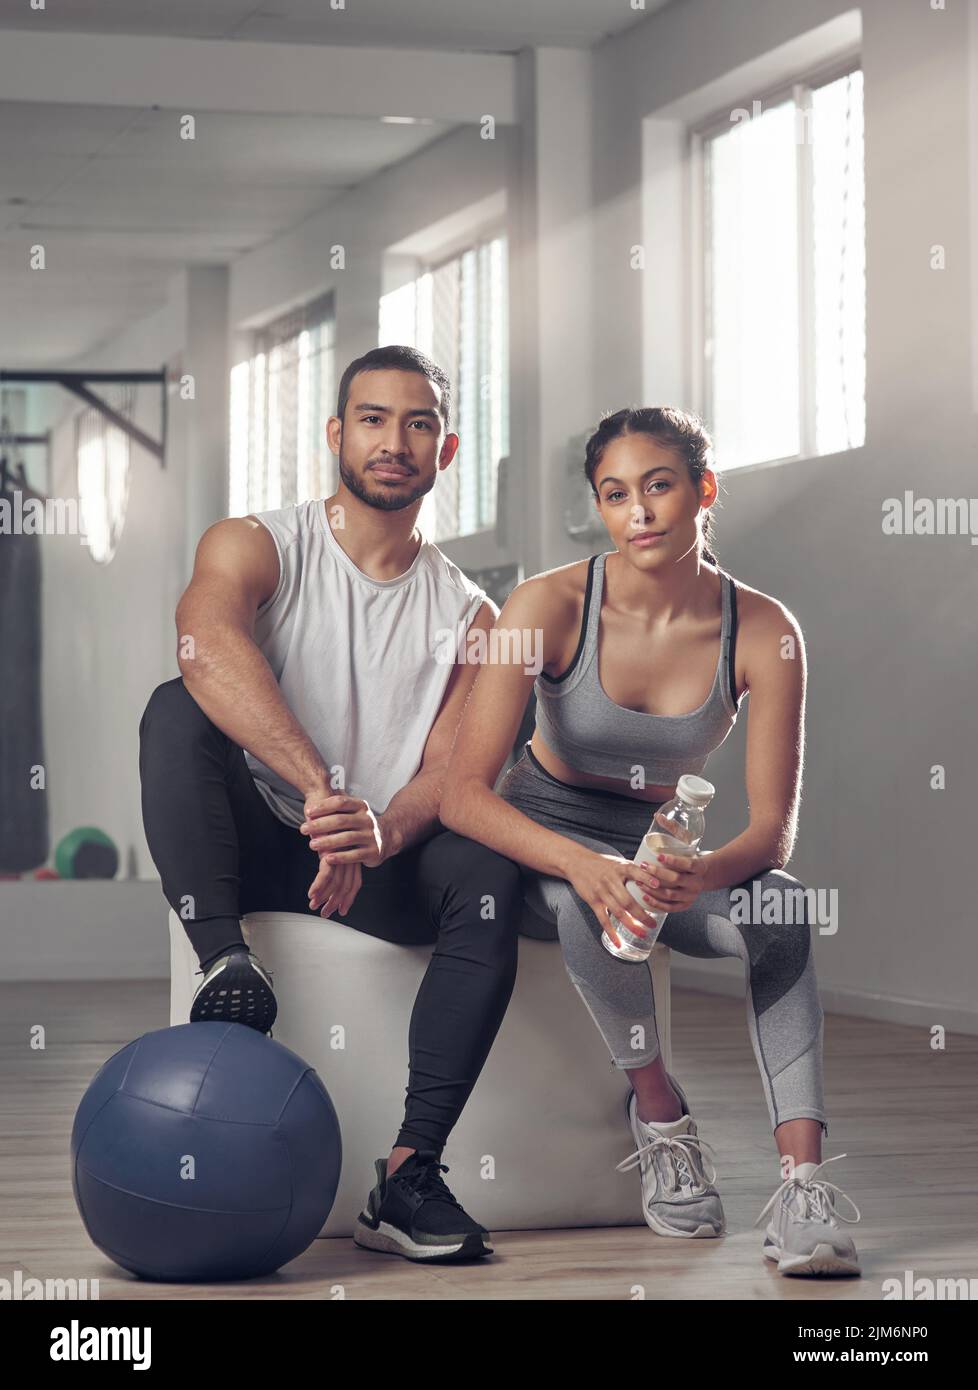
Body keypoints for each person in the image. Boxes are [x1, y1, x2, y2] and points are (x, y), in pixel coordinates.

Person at [440, 406, 861, 1278]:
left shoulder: (767, 631)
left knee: (779, 909)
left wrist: (698, 873)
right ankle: (662, 1119)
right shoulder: (547, 603)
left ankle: (804, 1188)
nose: (639, 513)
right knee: (591, 905)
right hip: (543, 841)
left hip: (665, 852)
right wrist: (581, 864)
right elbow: (461, 796)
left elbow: (771, 833)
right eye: (615, 494)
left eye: (659, 486)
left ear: (704, 491)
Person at [138, 345, 526, 1264]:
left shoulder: (474, 618)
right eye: (374, 419)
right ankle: (228, 964)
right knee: (173, 707)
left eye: (419, 422)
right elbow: (204, 641)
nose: (395, 441)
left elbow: (452, 772)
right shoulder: (258, 542)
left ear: (447, 447)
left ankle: (410, 1175)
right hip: (267, 831)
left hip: (375, 860)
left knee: (485, 867)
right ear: (335, 434)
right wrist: (323, 790)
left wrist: (377, 830)